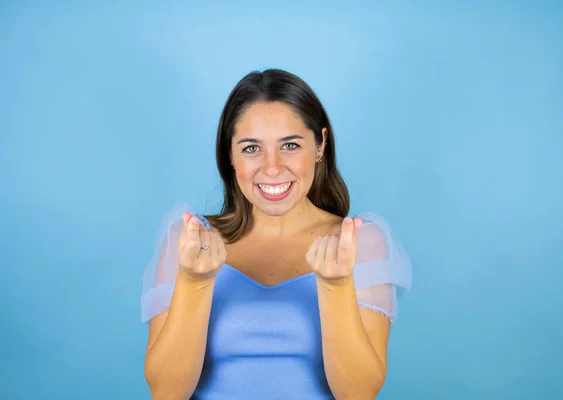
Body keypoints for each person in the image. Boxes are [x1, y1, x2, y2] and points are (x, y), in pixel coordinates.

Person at [140, 69, 412, 400]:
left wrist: (335, 286)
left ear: (320, 145)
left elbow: (359, 393)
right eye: (251, 148)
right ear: (230, 155)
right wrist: (194, 284)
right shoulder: (191, 240)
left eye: (290, 145)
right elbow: (166, 392)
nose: (271, 168)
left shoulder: (361, 241)